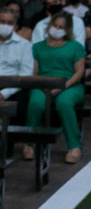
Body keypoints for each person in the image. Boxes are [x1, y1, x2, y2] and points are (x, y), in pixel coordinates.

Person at [24, 13, 85, 164]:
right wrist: (43, 85)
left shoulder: (75, 46)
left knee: (64, 103)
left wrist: (62, 87)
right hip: (43, 84)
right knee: (35, 103)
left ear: (68, 30)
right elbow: (35, 72)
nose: (57, 29)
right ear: (49, 25)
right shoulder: (37, 47)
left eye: (61, 27)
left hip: (70, 85)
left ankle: (74, 146)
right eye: (55, 25)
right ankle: (29, 143)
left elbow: (79, 72)